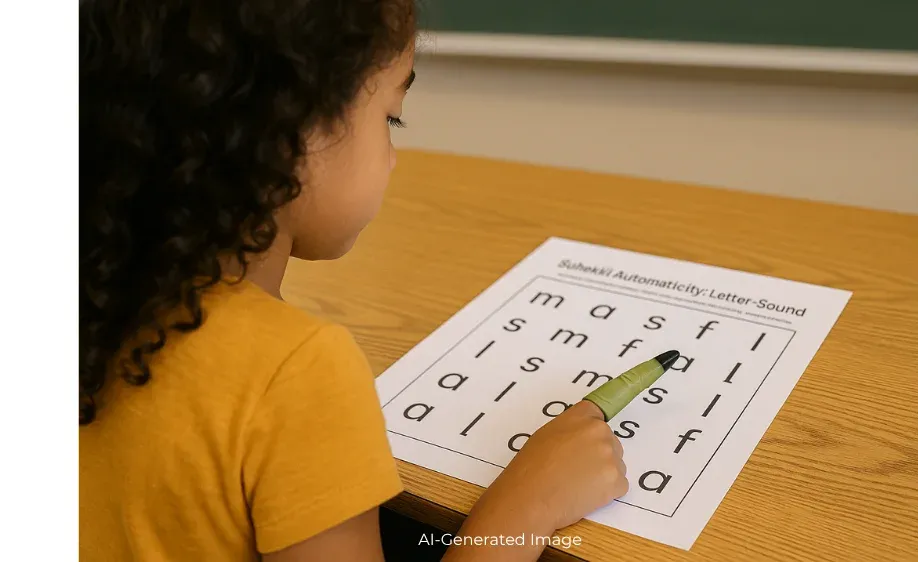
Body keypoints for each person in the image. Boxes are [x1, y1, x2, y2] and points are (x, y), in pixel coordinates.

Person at [79, 1, 628, 560]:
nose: (393, 158)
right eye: (390, 117)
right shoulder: (295, 374)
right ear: (289, 132)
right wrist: (529, 505)